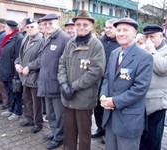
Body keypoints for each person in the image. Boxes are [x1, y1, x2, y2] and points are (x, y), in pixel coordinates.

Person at [100, 18, 153, 150]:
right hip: (111, 116)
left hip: (129, 119)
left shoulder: (144, 57)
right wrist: (103, 95)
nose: (121, 33)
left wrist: (114, 101)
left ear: (135, 33)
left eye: (125, 30)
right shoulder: (114, 53)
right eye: (118, 30)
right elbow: (107, 78)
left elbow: (140, 89)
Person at [58, 10, 106, 150]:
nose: (81, 27)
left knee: (84, 136)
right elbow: (61, 64)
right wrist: (63, 83)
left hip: (84, 99)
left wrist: (73, 87)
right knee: (69, 133)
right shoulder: (70, 43)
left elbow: (95, 72)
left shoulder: (96, 45)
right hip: (68, 97)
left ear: (91, 26)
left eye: (85, 24)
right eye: (78, 24)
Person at [37, 13, 70, 149]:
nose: (48, 26)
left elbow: (67, 64)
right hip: (46, 83)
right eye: (45, 24)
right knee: (50, 113)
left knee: (59, 114)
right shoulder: (48, 37)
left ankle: (60, 137)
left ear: (57, 23)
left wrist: (63, 82)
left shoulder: (64, 39)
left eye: (51, 23)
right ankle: (54, 132)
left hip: (56, 85)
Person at [140, 24, 167, 150]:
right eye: (147, 37)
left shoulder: (164, 50)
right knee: (141, 138)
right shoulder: (144, 49)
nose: (149, 40)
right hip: (141, 100)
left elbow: (163, 69)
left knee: (153, 139)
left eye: (152, 36)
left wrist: (152, 51)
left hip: (157, 103)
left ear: (161, 36)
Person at [92, 18, 120, 140]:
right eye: (106, 27)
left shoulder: (120, 43)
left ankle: (109, 133)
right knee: (97, 106)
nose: (108, 30)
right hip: (97, 79)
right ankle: (100, 128)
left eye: (111, 27)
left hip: (111, 81)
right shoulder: (100, 41)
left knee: (108, 107)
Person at [15, 18, 44, 133]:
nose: (30, 29)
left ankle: (38, 123)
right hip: (24, 76)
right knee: (26, 99)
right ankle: (29, 119)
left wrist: (29, 67)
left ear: (37, 27)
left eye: (32, 26)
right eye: (28, 27)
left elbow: (42, 59)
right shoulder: (25, 38)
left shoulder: (41, 40)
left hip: (35, 76)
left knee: (36, 102)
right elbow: (20, 56)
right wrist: (17, 64)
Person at [0, 20, 24, 121]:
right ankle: (11, 109)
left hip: (12, 71)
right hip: (5, 69)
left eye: (6, 27)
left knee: (16, 92)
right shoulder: (8, 37)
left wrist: (16, 74)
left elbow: (18, 57)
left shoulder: (18, 38)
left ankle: (17, 112)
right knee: (9, 92)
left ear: (10, 28)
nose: (4, 28)